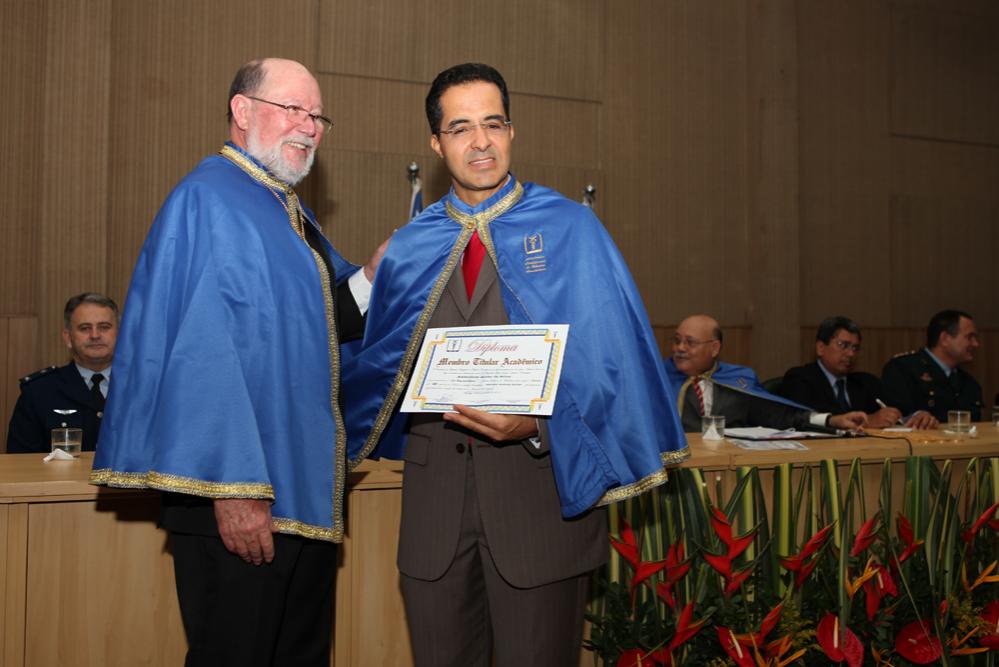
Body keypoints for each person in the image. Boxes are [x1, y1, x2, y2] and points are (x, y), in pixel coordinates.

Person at [342, 63, 687, 666]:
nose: (480, 142)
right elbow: (372, 365)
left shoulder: (572, 229)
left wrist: (538, 426)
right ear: (436, 143)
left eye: (493, 124)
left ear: (511, 131)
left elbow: (614, 371)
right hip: (433, 520)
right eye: (460, 128)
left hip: (540, 508)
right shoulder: (410, 245)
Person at [90, 58, 381, 667]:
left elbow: (321, 327)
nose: (310, 126)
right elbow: (201, 357)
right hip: (239, 500)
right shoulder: (210, 199)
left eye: (318, 116)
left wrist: (375, 276)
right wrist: (234, 491)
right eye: (293, 109)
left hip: (301, 497)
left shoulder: (284, 212)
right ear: (242, 111)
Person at [663, 314, 867, 433]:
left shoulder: (738, 380)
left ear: (714, 348)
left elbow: (782, 417)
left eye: (690, 342)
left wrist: (832, 420)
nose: (680, 348)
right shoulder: (657, 380)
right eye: (677, 340)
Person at [6, 293, 118, 453]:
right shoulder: (39, 391)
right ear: (68, 338)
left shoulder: (144, 388)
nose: (95, 335)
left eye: (104, 327)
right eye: (85, 328)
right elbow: (19, 461)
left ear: (120, 334)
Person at [779, 316, 938, 429]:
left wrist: (917, 416)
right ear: (820, 347)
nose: (850, 354)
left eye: (855, 348)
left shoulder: (865, 382)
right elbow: (804, 419)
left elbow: (897, 407)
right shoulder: (800, 378)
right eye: (843, 345)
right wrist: (868, 421)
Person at [881, 310, 983, 423]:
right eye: (969, 337)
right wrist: (916, 416)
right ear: (945, 338)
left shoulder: (969, 382)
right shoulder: (902, 369)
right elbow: (895, 418)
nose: (975, 344)